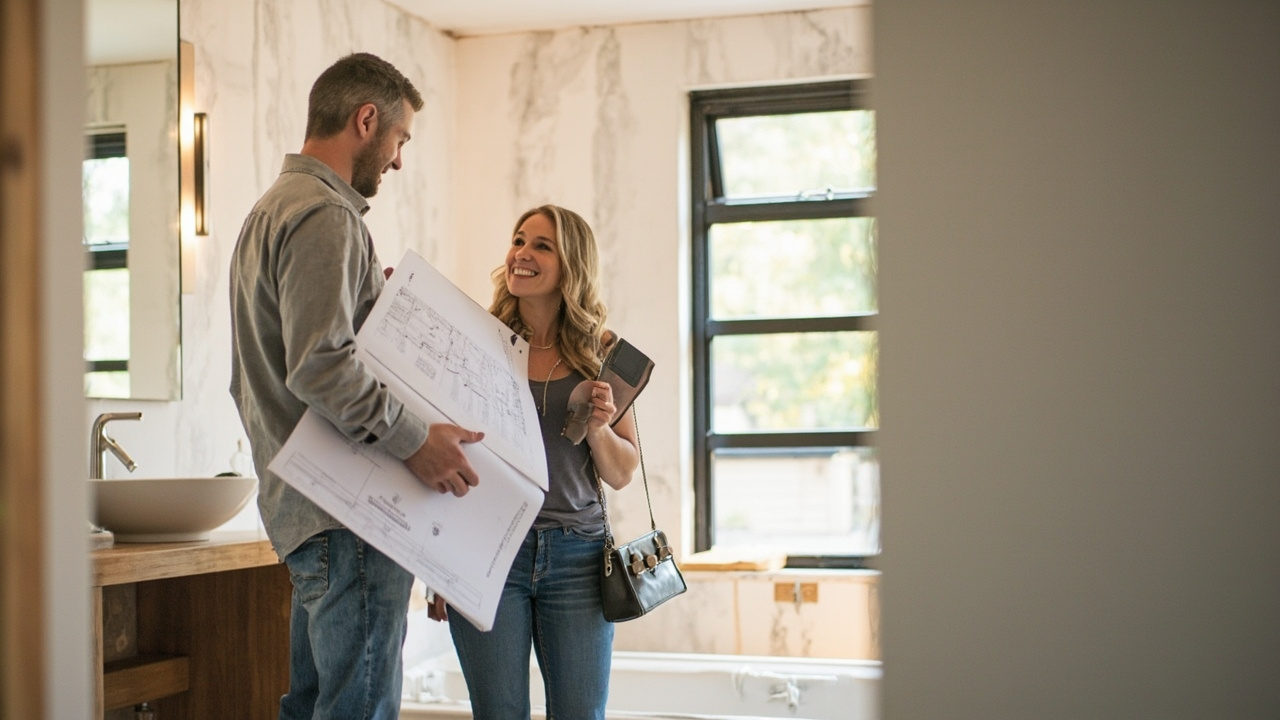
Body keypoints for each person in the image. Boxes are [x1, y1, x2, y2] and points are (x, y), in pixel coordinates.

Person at [229, 52, 485, 720]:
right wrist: (415, 443)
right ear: (366, 120)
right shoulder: (327, 216)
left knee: (315, 703)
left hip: (305, 507)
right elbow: (321, 366)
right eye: (399, 140)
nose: (398, 161)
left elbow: (272, 368)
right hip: (351, 516)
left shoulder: (272, 210)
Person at [428, 205, 640, 720]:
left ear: (572, 264)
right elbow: (445, 452)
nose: (522, 254)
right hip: (486, 553)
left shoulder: (609, 353)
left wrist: (596, 428)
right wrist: (435, 559)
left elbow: (621, 472)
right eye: (519, 240)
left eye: (541, 245)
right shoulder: (481, 341)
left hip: (579, 559)